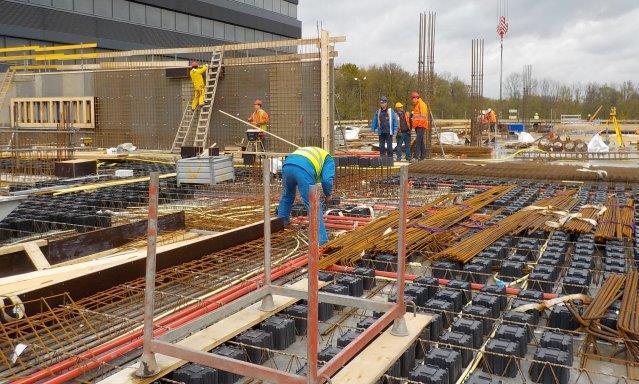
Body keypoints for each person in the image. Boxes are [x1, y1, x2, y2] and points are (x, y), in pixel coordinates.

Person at [277, 146, 335, 245]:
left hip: (287, 165)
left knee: (287, 196)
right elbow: (327, 180)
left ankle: (281, 225)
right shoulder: (329, 160)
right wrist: (328, 194)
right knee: (313, 204)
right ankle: (321, 241)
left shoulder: (316, 152)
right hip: (303, 168)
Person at [410, 91, 430, 160]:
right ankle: (423, 156)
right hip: (417, 126)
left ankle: (416, 157)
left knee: (418, 141)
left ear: (416, 98)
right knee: (421, 141)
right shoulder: (416, 105)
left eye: (412, 99)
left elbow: (423, 116)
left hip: (421, 125)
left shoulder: (422, 104)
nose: (412, 100)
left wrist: (419, 124)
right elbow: (416, 116)